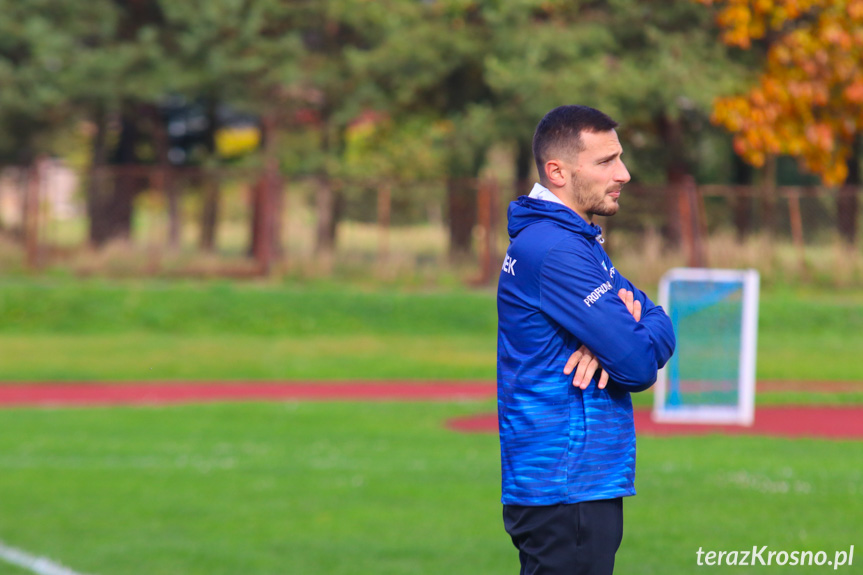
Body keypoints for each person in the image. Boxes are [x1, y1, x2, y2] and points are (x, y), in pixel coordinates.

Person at [496, 105, 676, 575]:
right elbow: (637, 365)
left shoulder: (571, 240)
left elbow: (659, 320)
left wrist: (616, 338)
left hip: (570, 484)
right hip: (566, 485)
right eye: (605, 161)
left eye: (620, 158)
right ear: (557, 171)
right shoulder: (555, 249)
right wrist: (623, 339)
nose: (624, 173)